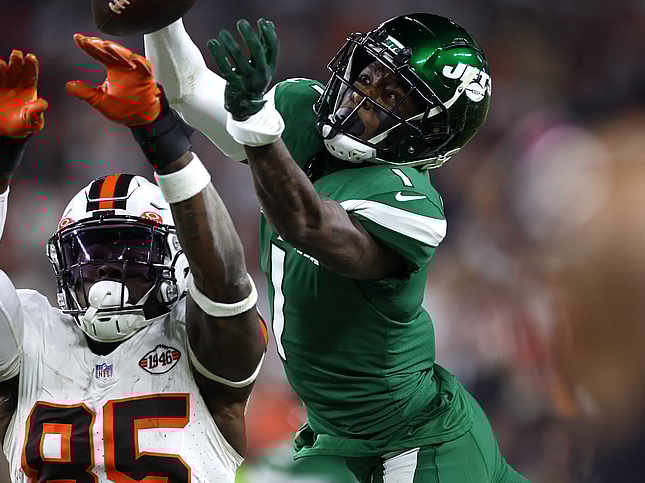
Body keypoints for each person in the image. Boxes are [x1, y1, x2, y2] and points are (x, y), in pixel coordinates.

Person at [144, 12, 527, 482]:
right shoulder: (302, 113)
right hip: (333, 435)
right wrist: (160, 19)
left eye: (390, 96)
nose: (360, 98)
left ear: (429, 132)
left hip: (416, 439)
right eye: (365, 77)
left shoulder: (410, 200)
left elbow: (306, 222)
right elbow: (185, 88)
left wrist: (257, 124)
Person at [0, 37, 266, 482]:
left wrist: (164, 140)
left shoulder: (197, 338)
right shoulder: (31, 337)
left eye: (129, 248)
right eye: (91, 253)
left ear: (177, 256)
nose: (108, 266)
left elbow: (226, 286)